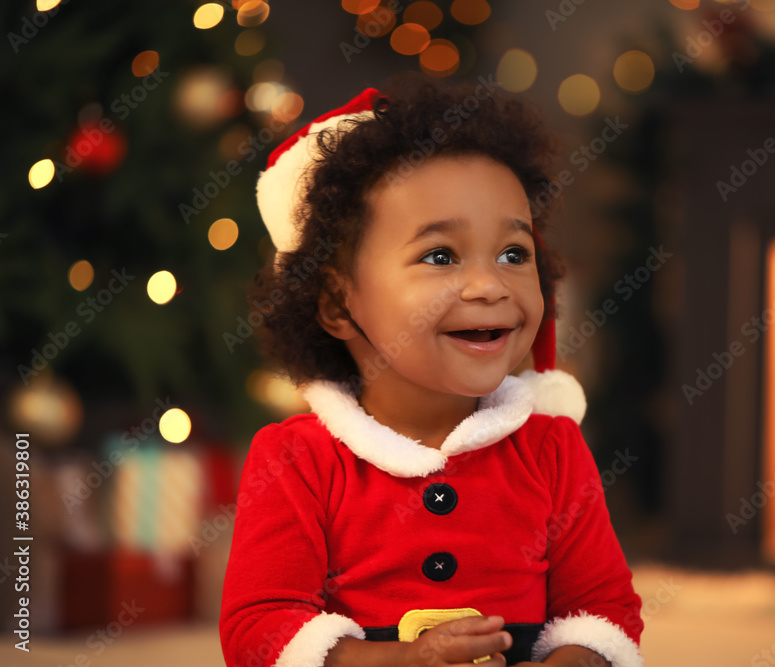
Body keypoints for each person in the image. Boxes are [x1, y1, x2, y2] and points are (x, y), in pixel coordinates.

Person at [219, 74, 644, 667]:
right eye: (440, 255)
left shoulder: (552, 449)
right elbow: (259, 628)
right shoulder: (297, 460)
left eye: (513, 254)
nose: (490, 285)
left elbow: (602, 610)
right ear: (339, 305)